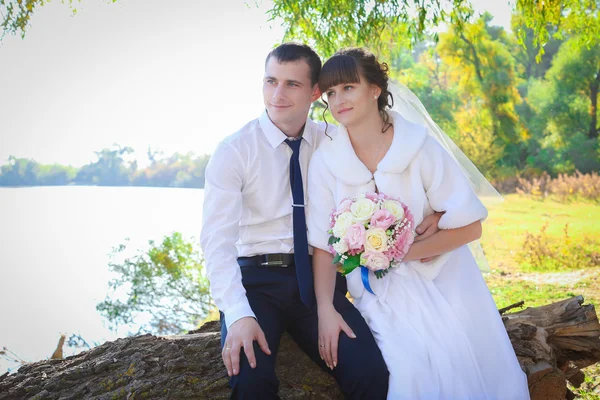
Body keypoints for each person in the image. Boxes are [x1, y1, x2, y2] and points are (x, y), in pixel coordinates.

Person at [200, 42, 444, 399]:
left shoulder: (333, 140)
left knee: (371, 373)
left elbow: (386, 179)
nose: (277, 94)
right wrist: (237, 313)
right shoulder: (235, 151)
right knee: (252, 382)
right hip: (256, 283)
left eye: (292, 84)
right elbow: (216, 244)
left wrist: (436, 213)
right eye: (271, 81)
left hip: (317, 281)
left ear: (315, 92)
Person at [306, 47, 531, 400]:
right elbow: (322, 246)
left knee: (478, 368)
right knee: (411, 371)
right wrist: (325, 308)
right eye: (330, 93)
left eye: (348, 87)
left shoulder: (419, 146)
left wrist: (402, 251)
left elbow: (471, 227)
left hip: (447, 278)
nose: (338, 100)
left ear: (375, 89)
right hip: (378, 293)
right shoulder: (325, 163)